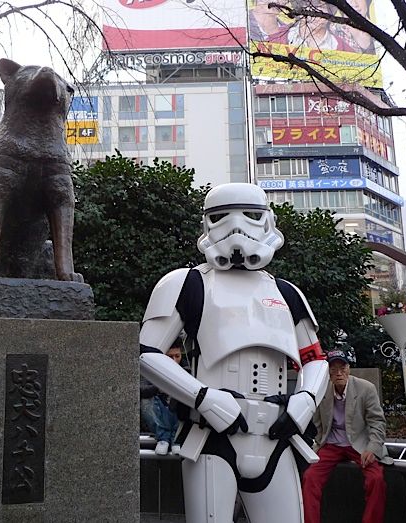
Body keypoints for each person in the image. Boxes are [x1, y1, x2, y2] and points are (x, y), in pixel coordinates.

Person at [139, 183, 329, 522]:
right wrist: (204, 398)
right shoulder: (187, 283)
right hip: (212, 436)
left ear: (268, 220)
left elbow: (315, 359)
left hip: (275, 435)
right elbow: (146, 352)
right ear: (206, 222)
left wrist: (306, 399)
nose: (236, 227)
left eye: (250, 215)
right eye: (221, 216)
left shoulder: (286, 293)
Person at [301, 349, 390, 523]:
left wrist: (372, 448)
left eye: (342, 368)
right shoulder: (322, 391)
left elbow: (377, 421)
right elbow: (317, 422)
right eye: (333, 369)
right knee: (310, 477)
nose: (338, 373)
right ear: (328, 373)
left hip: (360, 443)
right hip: (331, 444)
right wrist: (318, 444)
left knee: (376, 479)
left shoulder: (366, 388)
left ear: (349, 369)